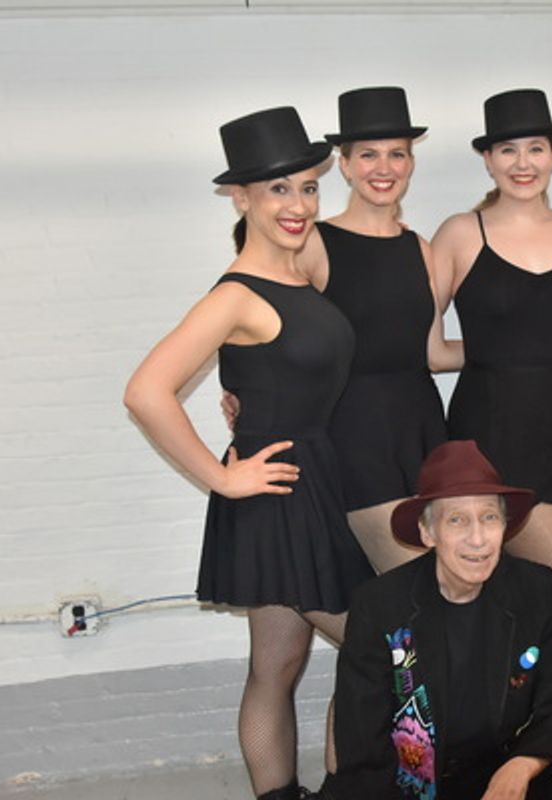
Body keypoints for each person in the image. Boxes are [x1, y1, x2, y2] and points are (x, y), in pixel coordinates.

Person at [124, 107, 374, 800]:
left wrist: (246, 399)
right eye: (277, 191)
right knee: (381, 648)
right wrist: (222, 479)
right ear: (240, 198)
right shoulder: (235, 294)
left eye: (307, 188)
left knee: (278, 659)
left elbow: (289, 374)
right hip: (277, 495)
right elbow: (147, 391)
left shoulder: (299, 280)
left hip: (311, 483)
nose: (298, 206)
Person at [225, 86, 457, 573]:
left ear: (411, 164)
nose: (384, 167)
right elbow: (245, 312)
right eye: (368, 155)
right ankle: (400, 655)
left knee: (425, 590)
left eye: (398, 154)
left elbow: (433, 352)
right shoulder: (312, 240)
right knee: (411, 591)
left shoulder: (421, 248)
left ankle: (391, 653)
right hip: (354, 437)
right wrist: (244, 395)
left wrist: (523, 346)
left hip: (422, 430)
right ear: (344, 165)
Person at [320, 440, 552, 800]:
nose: (478, 538)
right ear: (427, 532)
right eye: (457, 520)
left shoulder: (536, 590)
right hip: (408, 785)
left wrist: (522, 765)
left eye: (489, 518)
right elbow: (363, 745)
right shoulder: (380, 606)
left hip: (504, 771)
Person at [431, 88, 552, 642]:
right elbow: (429, 350)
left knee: (543, 598)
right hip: (497, 433)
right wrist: (494, 349)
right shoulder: (461, 232)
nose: (523, 163)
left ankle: (538, 718)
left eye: (537, 148)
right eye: (508, 150)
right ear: (487, 159)